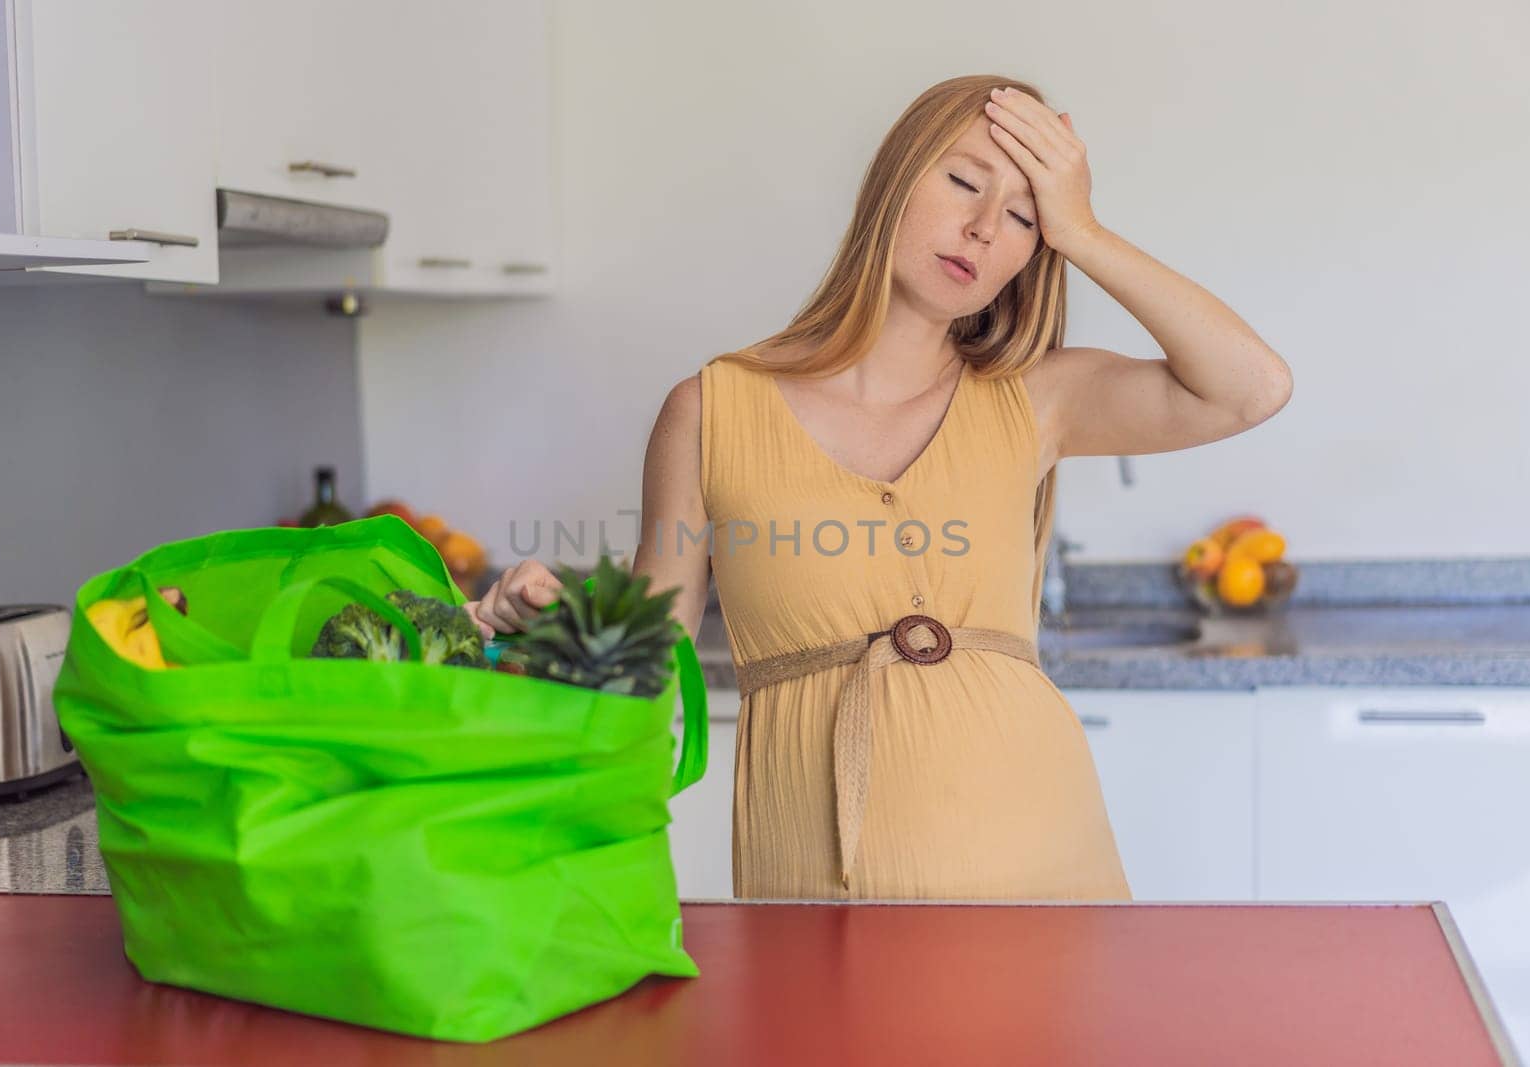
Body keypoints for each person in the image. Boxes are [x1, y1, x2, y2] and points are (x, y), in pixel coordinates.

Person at [465, 74, 1293, 901]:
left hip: (1045, 870)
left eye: (1022, 217)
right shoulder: (710, 411)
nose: (981, 227)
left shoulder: (1036, 400)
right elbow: (646, 664)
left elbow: (1250, 387)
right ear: (894, 180)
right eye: (965, 181)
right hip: (820, 882)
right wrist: (555, 621)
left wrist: (1084, 229)